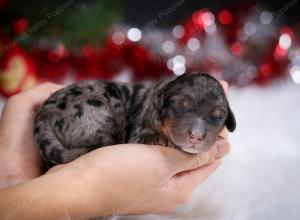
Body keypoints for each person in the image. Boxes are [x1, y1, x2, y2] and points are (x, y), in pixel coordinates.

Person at [0, 82, 230, 220]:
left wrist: (13, 176)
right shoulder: (148, 111)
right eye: (180, 106)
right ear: (161, 103)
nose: (197, 132)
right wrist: (87, 190)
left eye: (217, 115)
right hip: (81, 110)